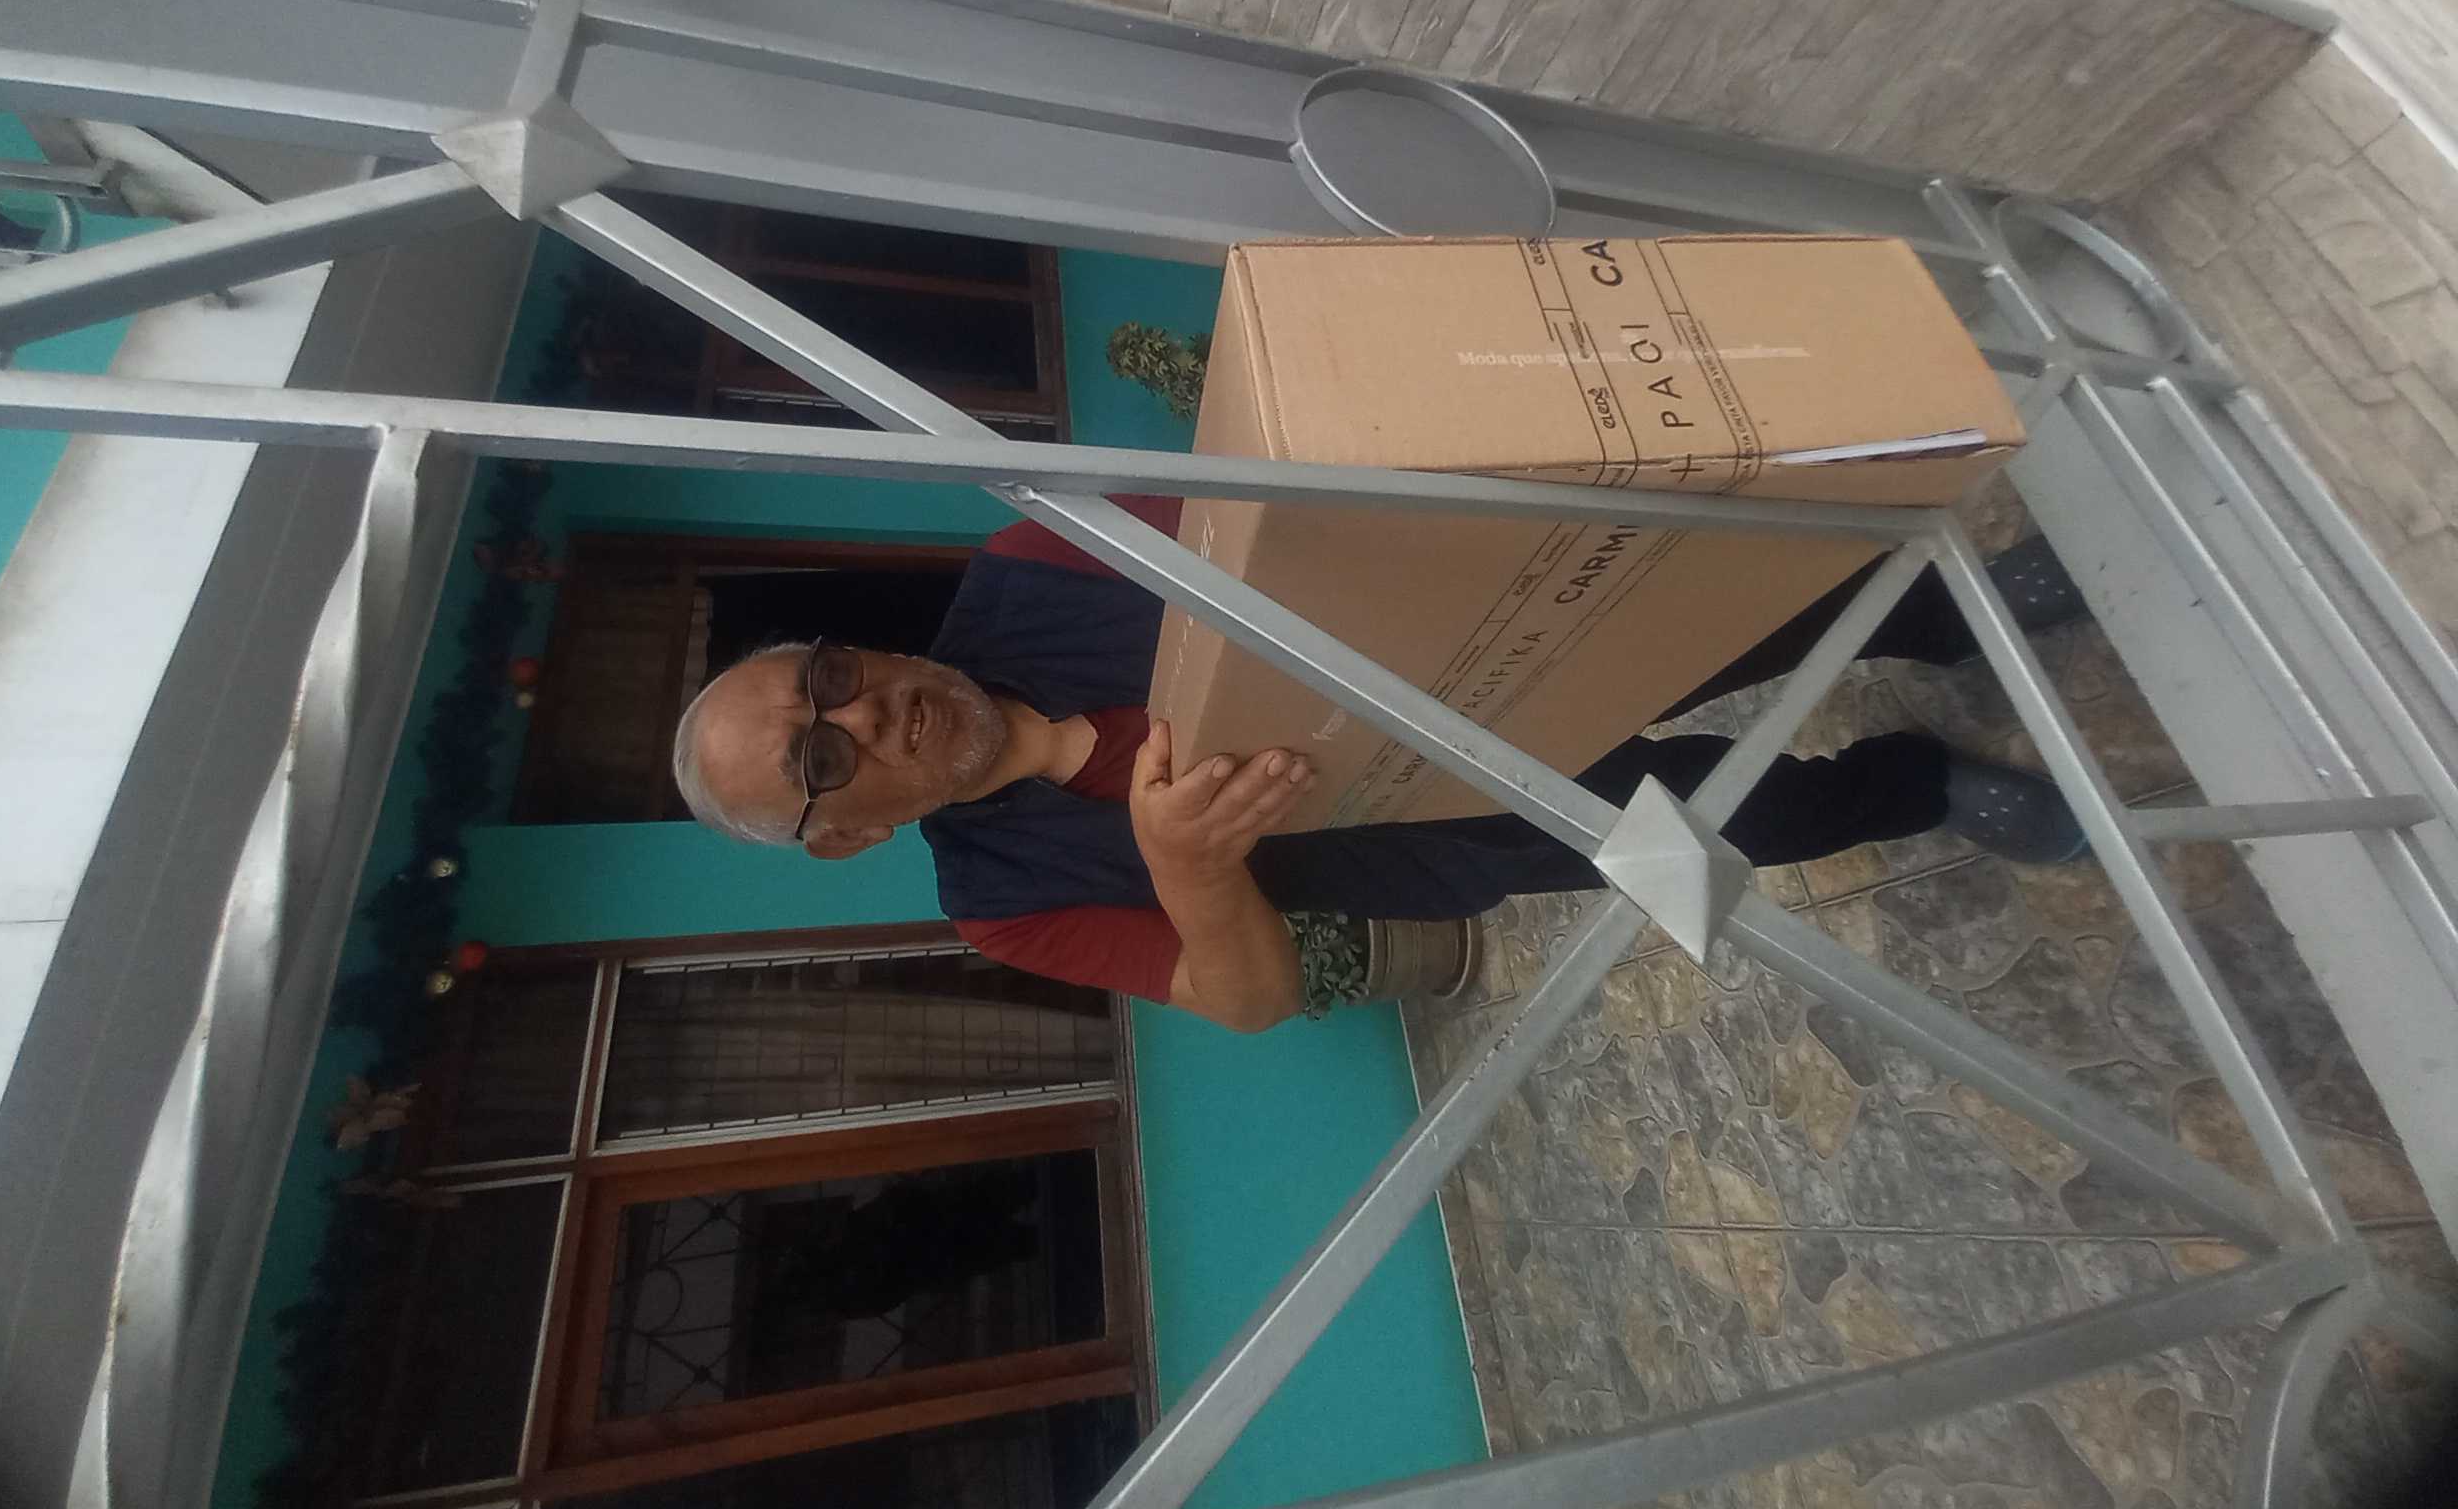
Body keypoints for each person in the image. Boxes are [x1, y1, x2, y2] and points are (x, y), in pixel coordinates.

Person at [673, 497, 2090, 1033]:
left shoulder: (1035, 561)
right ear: (846, 836)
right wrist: (1190, 872)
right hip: (1465, 831)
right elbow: (1249, 1000)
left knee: (1735, 625)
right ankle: (1917, 785)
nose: (865, 715)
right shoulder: (1001, 901)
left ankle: (1950, 615)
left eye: (831, 678)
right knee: (1730, 822)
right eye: (821, 755)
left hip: (1483, 652)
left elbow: (1272, 512)